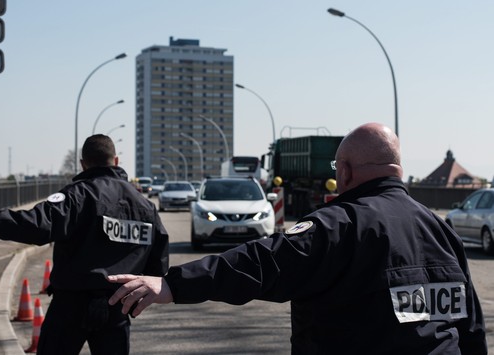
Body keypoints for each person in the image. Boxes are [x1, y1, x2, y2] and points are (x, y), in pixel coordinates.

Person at [107, 123, 487, 354]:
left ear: (347, 171)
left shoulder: (340, 225)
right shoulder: (441, 230)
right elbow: (470, 325)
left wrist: (172, 285)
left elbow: (263, 262)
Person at [0, 134, 169, 355]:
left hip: (71, 306)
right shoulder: (145, 206)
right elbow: (158, 262)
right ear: (116, 161)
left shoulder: (77, 195)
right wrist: (135, 297)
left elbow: (34, 225)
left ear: (83, 164)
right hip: (117, 306)